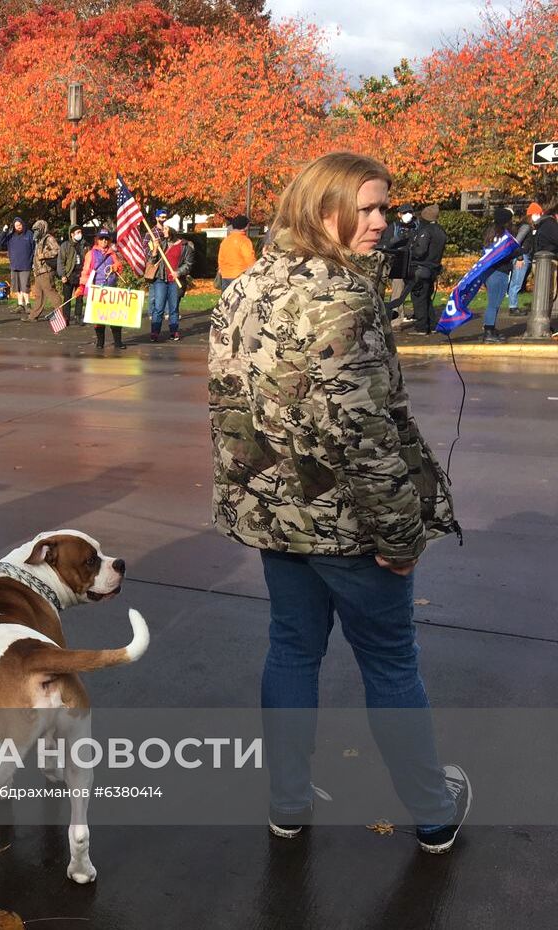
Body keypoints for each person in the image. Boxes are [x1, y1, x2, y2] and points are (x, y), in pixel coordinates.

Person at [210, 151, 470, 854]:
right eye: (371, 207)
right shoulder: (342, 299)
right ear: (325, 211)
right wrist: (398, 535)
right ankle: (432, 810)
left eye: (385, 207)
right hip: (347, 524)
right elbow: (361, 434)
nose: (384, 222)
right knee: (390, 662)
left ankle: (288, 804)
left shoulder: (246, 286)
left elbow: (236, 405)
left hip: (276, 514)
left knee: (291, 650)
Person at [78, 228, 124, 349]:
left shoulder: (113, 253)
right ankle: (100, 342)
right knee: (99, 318)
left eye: (106, 239)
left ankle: (118, 342)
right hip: (97, 290)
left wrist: (116, 267)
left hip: (111, 289)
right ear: (97, 240)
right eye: (101, 238)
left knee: (115, 317)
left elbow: (120, 268)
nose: (104, 241)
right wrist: (82, 287)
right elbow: (86, 272)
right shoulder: (91, 254)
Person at [147, 223, 193, 342]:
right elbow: (152, 261)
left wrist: (178, 272)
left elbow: (188, 264)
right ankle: (155, 332)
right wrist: (155, 249)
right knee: (158, 308)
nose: (163, 231)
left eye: (166, 228)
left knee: (173, 308)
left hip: (175, 281)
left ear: (172, 230)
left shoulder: (185, 245)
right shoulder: (161, 243)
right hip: (160, 279)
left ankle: (173, 331)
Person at [407, 205, 447, 335]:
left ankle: (421, 327)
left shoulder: (426, 231)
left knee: (418, 298)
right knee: (427, 298)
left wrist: (411, 250)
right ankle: (433, 325)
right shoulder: (441, 230)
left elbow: (420, 251)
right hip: (433, 268)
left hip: (421, 268)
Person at [481, 206, 515, 343]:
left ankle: (491, 328)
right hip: (499, 272)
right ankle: (488, 332)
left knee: (493, 302)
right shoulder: (505, 236)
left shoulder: (490, 233)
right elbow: (506, 254)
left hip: (489, 271)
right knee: (494, 303)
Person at [379, 203, 417, 308]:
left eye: (410, 212)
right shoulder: (393, 227)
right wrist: (396, 240)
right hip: (399, 263)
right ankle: (396, 318)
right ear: (399, 214)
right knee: (398, 291)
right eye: (405, 213)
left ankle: (418, 316)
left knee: (417, 291)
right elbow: (385, 245)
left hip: (414, 262)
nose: (408, 215)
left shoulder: (417, 226)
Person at [27, 219, 62, 321]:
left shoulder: (49, 238)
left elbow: (57, 250)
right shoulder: (39, 240)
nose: (35, 232)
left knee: (51, 293)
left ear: (42, 229)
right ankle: (33, 316)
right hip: (39, 271)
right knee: (39, 295)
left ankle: (60, 314)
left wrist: (43, 255)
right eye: (34, 230)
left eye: (37, 230)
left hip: (46, 271)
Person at [0, 217, 35, 314]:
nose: (18, 227)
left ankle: (28, 304)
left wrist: (33, 262)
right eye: (16, 226)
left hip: (26, 265)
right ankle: (20, 305)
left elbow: (34, 248)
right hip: (14, 265)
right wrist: (4, 231)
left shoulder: (29, 234)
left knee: (25, 286)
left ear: (22, 224)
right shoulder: (11, 236)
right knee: (17, 287)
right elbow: (1, 242)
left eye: (19, 225)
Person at [56, 226, 87, 325]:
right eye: (77, 232)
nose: (80, 234)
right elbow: (60, 261)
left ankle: (78, 316)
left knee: (79, 297)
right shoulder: (65, 245)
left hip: (81, 274)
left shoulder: (84, 245)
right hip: (69, 275)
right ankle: (66, 318)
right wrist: (63, 275)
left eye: (80, 232)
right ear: (72, 234)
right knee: (67, 297)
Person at [216, 214, 256, 290]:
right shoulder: (244, 241)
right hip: (240, 275)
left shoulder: (225, 241)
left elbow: (220, 258)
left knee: (227, 300)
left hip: (226, 276)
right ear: (246, 226)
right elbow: (250, 259)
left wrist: (222, 270)